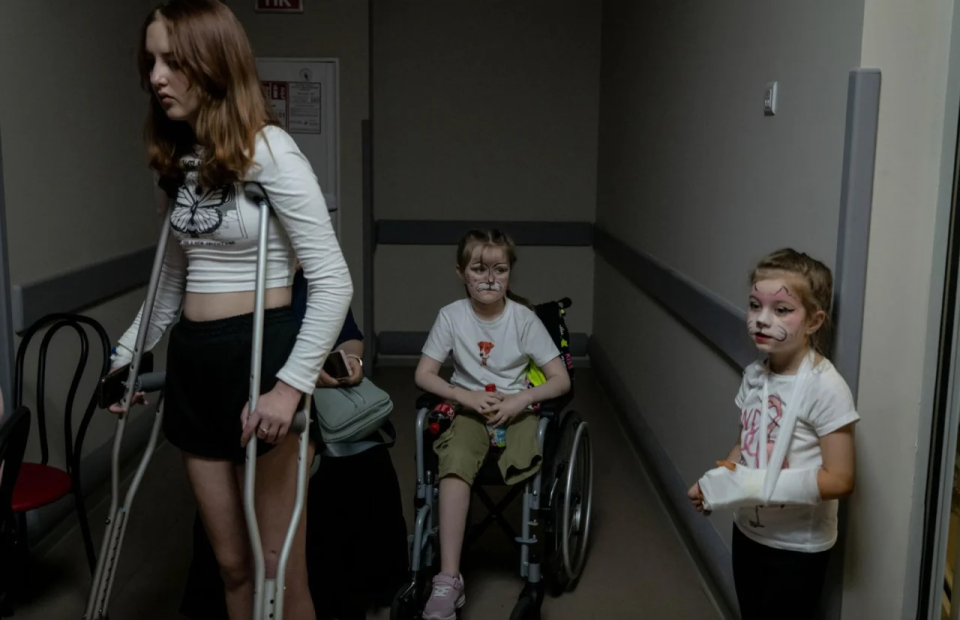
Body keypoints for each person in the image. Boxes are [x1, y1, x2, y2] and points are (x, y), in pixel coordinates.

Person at [108, 2, 353, 618]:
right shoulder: (181, 164)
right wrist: (124, 356)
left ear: (212, 64)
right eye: (151, 60)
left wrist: (288, 390)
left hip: (262, 362)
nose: (155, 76)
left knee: (280, 570)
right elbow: (167, 289)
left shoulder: (270, 150)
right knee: (232, 567)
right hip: (196, 367)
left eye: (171, 60)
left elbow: (332, 280)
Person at [686, 249, 858, 620]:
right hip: (748, 532)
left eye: (781, 310)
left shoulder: (826, 388)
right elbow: (745, 444)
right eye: (754, 305)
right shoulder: (754, 375)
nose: (762, 320)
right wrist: (717, 484)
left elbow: (841, 479)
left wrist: (754, 486)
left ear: (814, 321)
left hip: (798, 547)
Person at [414, 229, 571, 620]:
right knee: (455, 461)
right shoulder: (451, 316)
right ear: (460, 272)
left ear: (509, 275)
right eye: (479, 269)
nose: (489, 278)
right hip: (469, 409)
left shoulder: (523, 319)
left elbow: (560, 379)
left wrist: (521, 399)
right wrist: (462, 396)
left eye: (499, 270)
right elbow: (425, 374)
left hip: (516, 409)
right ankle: (449, 578)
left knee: (526, 456)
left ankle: (530, 565)